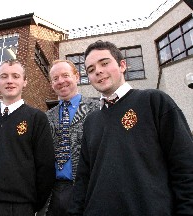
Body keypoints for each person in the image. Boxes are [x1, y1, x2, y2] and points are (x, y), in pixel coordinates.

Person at [68, 40, 193, 215]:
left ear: (122, 65)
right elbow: (83, 180)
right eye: (90, 69)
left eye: (104, 63)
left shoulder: (154, 101)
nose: (98, 71)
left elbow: (185, 166)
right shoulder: (91, 121)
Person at [0, 59, 55, 216]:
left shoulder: (36, 118)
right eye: (4, 76)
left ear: (24, 81)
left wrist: (32, 205)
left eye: (16, 76)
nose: (10, 81)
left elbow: (46, 167)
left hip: (18, 207)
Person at [37, 60, 99, 216]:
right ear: (51, 84)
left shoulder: (96, 109)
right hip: (53, 193)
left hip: (85, 190)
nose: (61, 81)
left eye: (65, 75)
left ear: (76, 77)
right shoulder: (46, 117)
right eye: (55, 78)